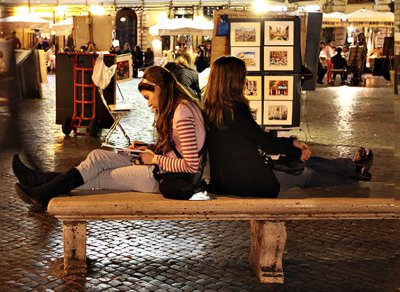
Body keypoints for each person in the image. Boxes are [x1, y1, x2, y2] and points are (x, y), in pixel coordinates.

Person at [12, 66, 206, 211]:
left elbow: (190, 165)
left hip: (160, 177)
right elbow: (177, 147)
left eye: (148, 97)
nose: (149, 105)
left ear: (158, 89)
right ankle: (38, 183)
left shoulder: (182, 114)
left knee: (96, 177)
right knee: (97, 156)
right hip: (158, 166)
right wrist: (149, 147)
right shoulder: (179, 108)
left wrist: (154, 158)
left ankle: (40, 187)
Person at [203, 56, 373, 198]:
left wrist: (291, 144)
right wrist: (297, 152)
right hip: (250, 182)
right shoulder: (234, 109)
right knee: (306, 174)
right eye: (243, 76)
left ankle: (353, 167)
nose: (245, 80)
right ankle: (354, 174)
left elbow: (256, 137)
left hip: (230, 179)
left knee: (302, 162)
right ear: (233, 80)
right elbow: (262, 141)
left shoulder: (211, 109)